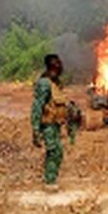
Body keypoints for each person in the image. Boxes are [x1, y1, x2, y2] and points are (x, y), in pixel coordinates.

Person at [31, 54, 79, 186]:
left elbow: (59, 102)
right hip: (48, 125)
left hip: (55, 125)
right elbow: (37, 106)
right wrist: (35, 129)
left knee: (57, 152)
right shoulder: (44, 84)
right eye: (58, 63)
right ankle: (49, 182)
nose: (61, 66)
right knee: (54, 151)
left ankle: (50, 178)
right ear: (53, 66)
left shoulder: (55, 84)